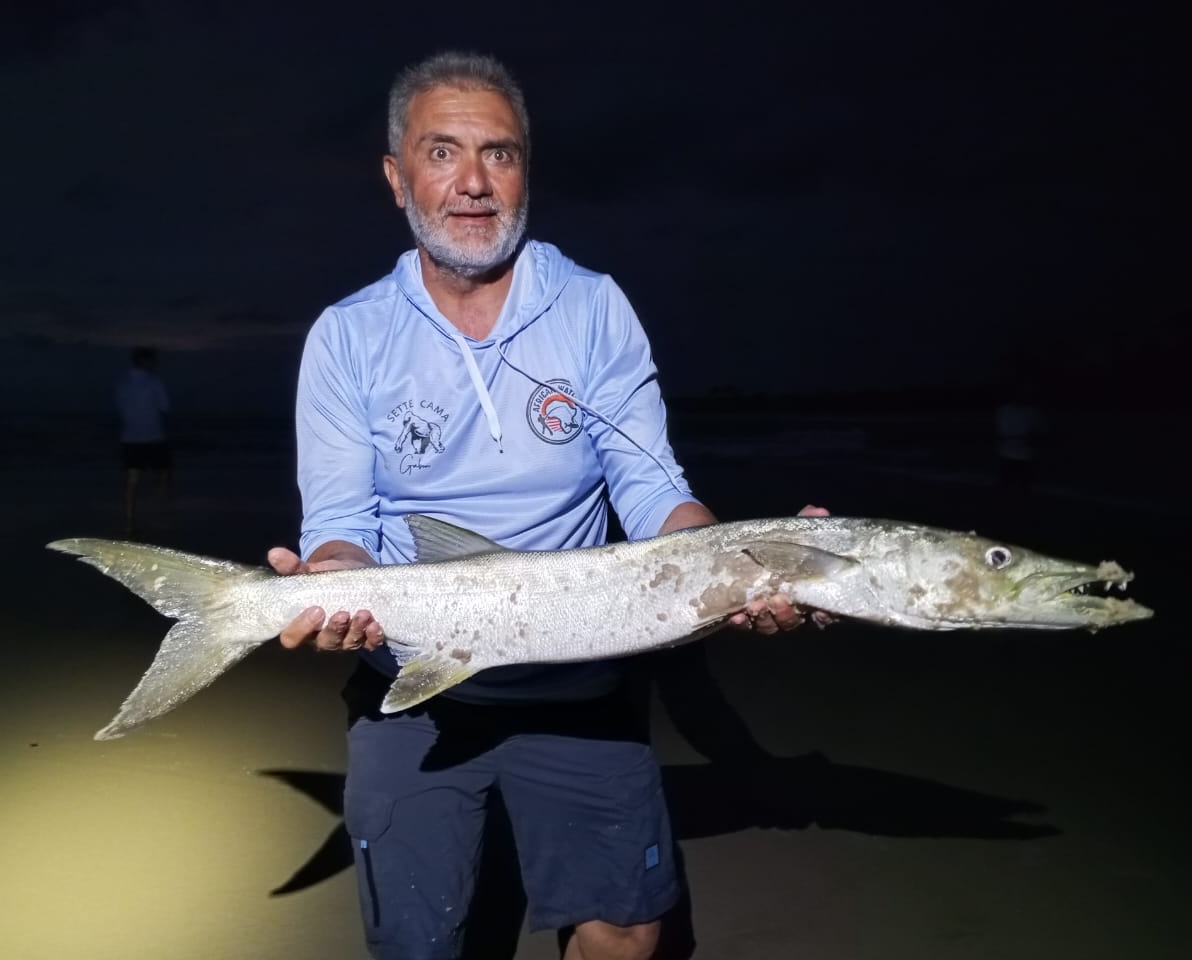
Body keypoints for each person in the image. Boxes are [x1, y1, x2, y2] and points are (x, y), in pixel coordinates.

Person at [266, 51, 829, 960]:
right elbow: (339, 526)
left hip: (578, 686)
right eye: (442, 153)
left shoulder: (592, 307)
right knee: (421, 944)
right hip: (414, 688)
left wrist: (740, 564)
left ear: (526, 170)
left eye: (500, 153)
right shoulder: (349, 335)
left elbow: (652, 487)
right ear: (396, 177)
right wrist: (329, 584)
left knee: (627, 931)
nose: (474, 182)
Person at [114, 346, 171, 538]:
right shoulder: (155, 381)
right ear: (146, 361)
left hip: (130, 438)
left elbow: (120, 409)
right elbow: (165, 407)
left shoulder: (121, 383)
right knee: (163, 473)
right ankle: (159, 513)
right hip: (153, 436)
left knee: (132, 480)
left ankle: (129, 521)